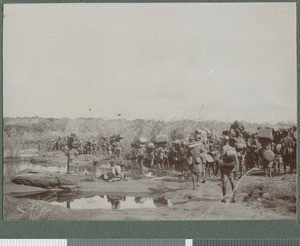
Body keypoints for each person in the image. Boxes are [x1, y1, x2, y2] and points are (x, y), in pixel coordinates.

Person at [219, 136, 237, 203]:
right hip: (231, 167)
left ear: (224, 140)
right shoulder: (232, 148)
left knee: (225, 182)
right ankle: (234, 197)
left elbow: (221, 157)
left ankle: (225, 198)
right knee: (232, 181)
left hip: (225, 167)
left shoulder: (224, 148)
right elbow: (235, 159)